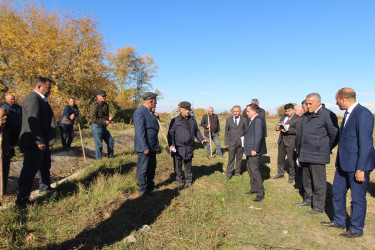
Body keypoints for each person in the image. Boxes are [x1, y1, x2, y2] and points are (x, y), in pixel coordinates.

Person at [321, 88, 375, 238]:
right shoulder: (348, 114)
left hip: (357, 165)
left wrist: (361, 168)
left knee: (357, 198)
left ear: (343, 99)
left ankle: (356, 228)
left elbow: (366, 143)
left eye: (337, 100)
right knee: (337, 193)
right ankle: (339, 220)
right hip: (343, 164)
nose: (336, 103)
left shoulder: (363, 114)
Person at [295, 93, 339, 215]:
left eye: (310, 104)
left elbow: (334, 134)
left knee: (318, 182)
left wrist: (324, 147)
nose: (307, 106)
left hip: (318, 155)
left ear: (319, 103)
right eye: (306, 104)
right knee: (306, 179)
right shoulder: (306, 116)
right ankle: (308, 200)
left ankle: (319, 207)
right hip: (305, 153)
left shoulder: (327, 115)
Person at [16, 77, 56, 207]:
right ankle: (22, 200)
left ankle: (45, 187)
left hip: (42, 141)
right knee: (29, 170)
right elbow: (33, 121)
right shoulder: (32, 99)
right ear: (39, 87)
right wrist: (39, 140)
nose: (50, 90)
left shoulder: (41, 100)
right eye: (48, 87)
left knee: (44, 165)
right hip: (34, 142)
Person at [168, 101, 208, 187]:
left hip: (189, 146)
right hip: (178, 147)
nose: (188, 111)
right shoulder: (175, 120)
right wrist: (171, 144)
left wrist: (201, 139)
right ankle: (180, 180)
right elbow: (170, 133)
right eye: (186, 110)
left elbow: (196, 131)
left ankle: (188, 180)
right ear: (181, 109)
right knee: (178, 165)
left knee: (188, 164)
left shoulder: (192, 120)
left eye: (189, 110)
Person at [133, 92, 159, 196]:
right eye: (155, 101)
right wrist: (144, 147)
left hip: (152, 146)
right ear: (151, 101)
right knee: (143, 168)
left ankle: (150, 186)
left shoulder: (149, 112)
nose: (156, 103)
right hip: (144, 147)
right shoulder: (139, 112)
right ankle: (142, 189)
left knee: (151, 167)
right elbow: (140, 132)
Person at [273, 103, 302, 183]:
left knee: (291, 160)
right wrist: (277, 127)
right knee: (280, 158)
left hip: (291, 142)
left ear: (293, 110)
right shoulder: (283, 117)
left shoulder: (298, 118)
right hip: (281, 140)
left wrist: (288, 130)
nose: (287, 112)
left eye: (289, 111)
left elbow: (298, 131)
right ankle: (280, 173)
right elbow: (279, 124)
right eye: (286, 111)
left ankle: (292, 176)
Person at [243, 104, 267, 202]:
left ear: (253, 111)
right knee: (250, 169)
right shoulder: (253, 119)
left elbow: (258, 136)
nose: (246, 113)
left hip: (253, 151)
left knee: (254, 170)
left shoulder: (257, 120)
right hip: (249, 149)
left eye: (248, 111)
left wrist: (255, 149)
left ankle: (260, 193)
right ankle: (254, 188)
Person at [89, 90, 114, 160]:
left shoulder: (106, 105)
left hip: (103, 127)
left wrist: (109, 119)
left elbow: (105, 117)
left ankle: (111, 157)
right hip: (96, 126)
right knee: (99, 144)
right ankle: (99, 161)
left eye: (105, 96)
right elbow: (93, 118)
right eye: (102, 96)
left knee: (111, 141)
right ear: (98, 96)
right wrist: (104, 122)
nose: (104, 97)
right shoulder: (94, 105)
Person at [224, 105, 247, 180]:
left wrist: (245, 142)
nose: (235, 113)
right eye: (234, 111)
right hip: (231, 143)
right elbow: (226, 132)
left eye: (237, 111)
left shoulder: (244, 119)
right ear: (232, 111)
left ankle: (237, 172)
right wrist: (226, 142)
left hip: (240, 143)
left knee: (239, 158)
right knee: (231, 158)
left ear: (240, 111)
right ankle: (229, 173)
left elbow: (246, 132)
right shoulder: (228, 120)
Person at [0, 108, 11, 205]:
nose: (5, 117)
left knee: (4, 174)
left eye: (5, 115)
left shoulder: (4, 127)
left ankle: (3, 192)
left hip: (5, 154)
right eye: (3, 116)